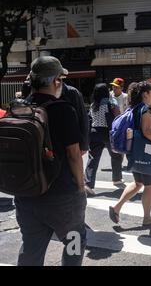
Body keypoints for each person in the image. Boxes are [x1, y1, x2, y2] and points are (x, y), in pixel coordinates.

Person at [15, 56, 86, 266]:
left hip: (26, 193)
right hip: (62, 195)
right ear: (56, 81)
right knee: (74, 241)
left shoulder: (20, 109)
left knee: (31, 246)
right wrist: (81, 187)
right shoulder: (63, 109)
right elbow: (74, 154)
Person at [109, 82, 151, 226]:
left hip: (133, 151)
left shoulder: (133, 108)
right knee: (149, 185)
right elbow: (147, 132)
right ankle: (147, 218)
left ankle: (116, 207)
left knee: (138, 183)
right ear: (145, 94)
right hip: (146, 153)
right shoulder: (145, 110)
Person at [84, 84, 123, 195]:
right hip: (108, 132)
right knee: (115, 155)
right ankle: (116, 178)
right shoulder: (111, 103)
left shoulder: (93, 105)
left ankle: (88, 183)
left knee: (93, 158)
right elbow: (118, 117)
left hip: (94, 132)